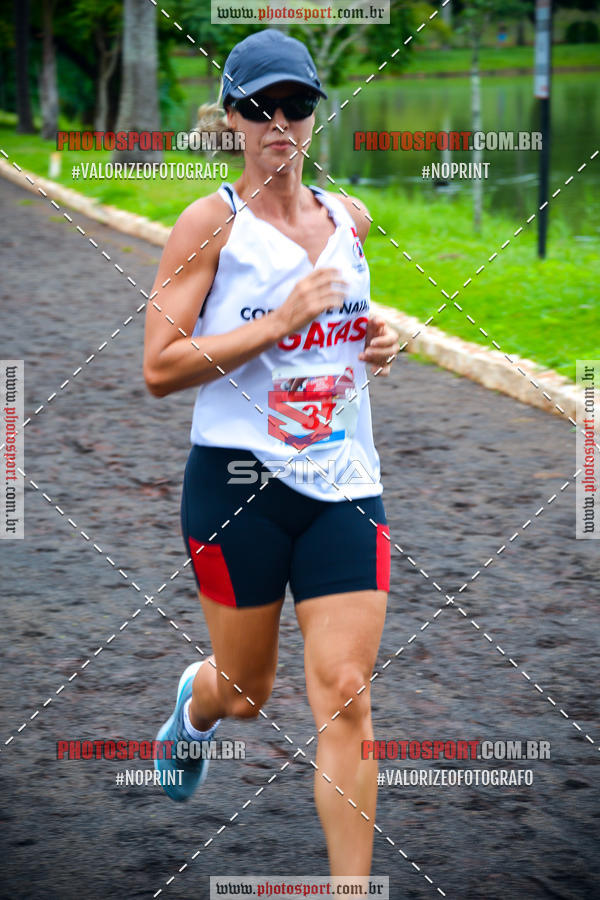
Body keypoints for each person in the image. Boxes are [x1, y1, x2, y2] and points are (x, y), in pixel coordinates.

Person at [143, 28, 399, 878]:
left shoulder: (348, 218)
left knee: (346, 693)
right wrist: (279, 322)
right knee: (248, 693)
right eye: (260, 107)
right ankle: (197, 701)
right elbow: (159, 367)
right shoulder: (208, 223)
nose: (279, 122)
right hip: (236, 488)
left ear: (314, 114)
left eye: (296, 105)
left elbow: (346, 326)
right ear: (232, 120)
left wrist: (377, 338)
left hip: (344, 486)